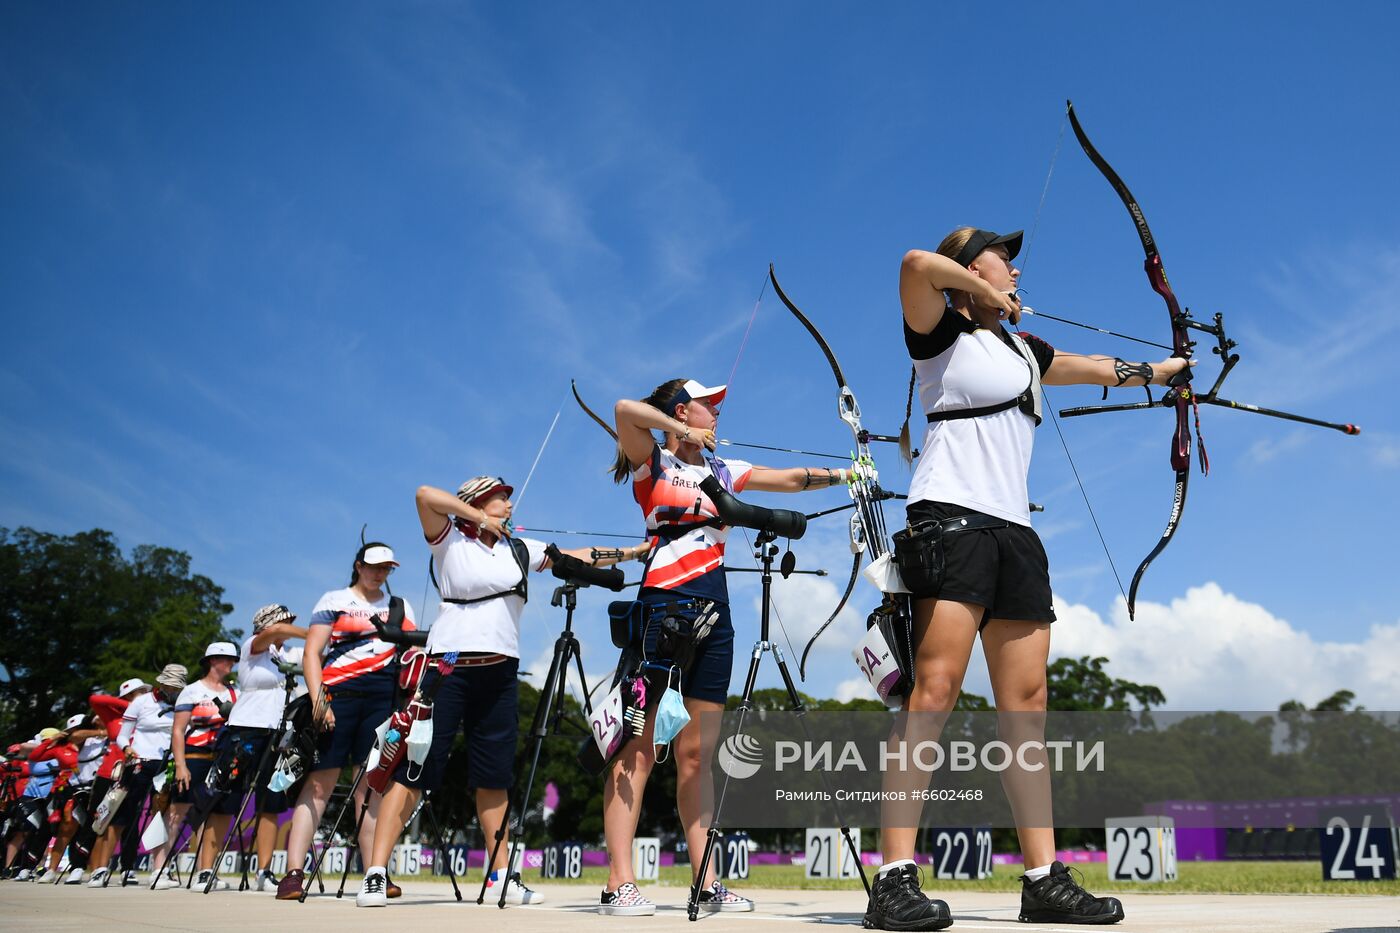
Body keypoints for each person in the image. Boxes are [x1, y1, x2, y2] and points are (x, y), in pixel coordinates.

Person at [863, 227, 1192, 930]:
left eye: (1012, 262)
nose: (1013, 269)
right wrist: (980, 292)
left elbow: (1097, 367)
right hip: (951, 517)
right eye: (998, 258)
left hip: (1015, 530)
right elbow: (913, 263)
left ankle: (1042, 878)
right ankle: (893, 877)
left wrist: (1168, 370)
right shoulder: (939, 332)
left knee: (1028, 704)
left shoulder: (1024, 348)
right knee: (936, 687)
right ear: (967, 269)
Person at [602, 378, 848, 916]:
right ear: (682, 410)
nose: (717, 414)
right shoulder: (655, 462)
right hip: (665, 609)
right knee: (640, 748)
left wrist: (849, 473)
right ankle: (618, 883)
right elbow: (625, 410)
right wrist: (681, 429)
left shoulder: (720, 469)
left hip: (715, 616)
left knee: (697, 757)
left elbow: (787, 478)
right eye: (708, 406)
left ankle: (707, 882)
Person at [353, 476, 648, 908]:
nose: (509, 506)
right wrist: (477, 518)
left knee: (493, 777)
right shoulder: (449, 539)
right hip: (447, 668)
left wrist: (637, 552)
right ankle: (376, 873)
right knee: (415, 768)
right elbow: (424, 495)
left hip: (499, 671)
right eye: (499, 500)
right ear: (475, 502)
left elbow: (578, 557)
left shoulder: (518, 549)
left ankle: (500, 875)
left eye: (508, 501)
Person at [277, 543, 415, 900]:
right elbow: (312, 652)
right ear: (358, 566)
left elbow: (413, 654)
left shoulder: (399, 606)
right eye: (372, 566)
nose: (379, 573)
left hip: (382, 700)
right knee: (320, 784)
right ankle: (294, 872)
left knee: (371, 787)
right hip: (337, 695)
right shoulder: (334, 599)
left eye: (386, 568)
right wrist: (318, 699)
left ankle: (375, 873)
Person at [211, 605, 307, 892]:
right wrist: (311, 633)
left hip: (277, 733)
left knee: (270, 802)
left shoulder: (288, 654)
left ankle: (263, 872)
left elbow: (319, 656)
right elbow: (274, 631)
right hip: (245, 728)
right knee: (227, 798)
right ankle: (206, 869)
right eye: (285, 622)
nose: (288, 628)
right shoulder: (252, 647)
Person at [162, 642, 239, 890]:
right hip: (194, 756)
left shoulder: (234, 693)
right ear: (212, 661)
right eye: (226, 658)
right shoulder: (192, 691)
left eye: (233, 659)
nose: (231, 663)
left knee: (215, 815)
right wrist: (181, 765)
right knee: (179, 812)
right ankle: (160, 867)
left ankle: (205, 871)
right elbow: (178, 730)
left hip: (222, 759)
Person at [109, 664, 186, 887]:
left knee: (161, 814)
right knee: (129, 813)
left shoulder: (181, 703)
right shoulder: (141, 702)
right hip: (141, 761)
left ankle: (158, 868)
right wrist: (127, 749)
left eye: (176, 687)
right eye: (169, 686)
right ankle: (122, 866)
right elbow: (123, 737)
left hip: (167, 764)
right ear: (161, 682)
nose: (172, 691)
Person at [82, 679, 142, 887]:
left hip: (134, 773)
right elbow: (95, 699)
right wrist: (131, 706)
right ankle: (91, 868)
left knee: (129, 824)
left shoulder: (146, 714)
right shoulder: (113, 715)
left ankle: (127, 868)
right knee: (101, 821)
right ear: (127, 696)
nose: (144, 694)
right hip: (109, 774)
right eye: (139, 692)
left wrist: (140, 708)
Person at [37, 714, 104, 882]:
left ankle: (83, 869)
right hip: (77, 789)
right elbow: (75, 736)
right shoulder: (77, 740)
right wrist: (99, 731)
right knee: (66, 830)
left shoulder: (108, 737)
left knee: (94, 831)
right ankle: (51, 870)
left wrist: (103, 732)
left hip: (99, 788)